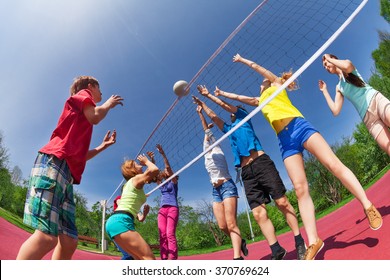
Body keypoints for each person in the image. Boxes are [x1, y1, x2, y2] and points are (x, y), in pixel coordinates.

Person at [218, 53, 383, 260]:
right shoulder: (260, 101)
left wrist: (243, 60)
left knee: (333, 164)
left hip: (299, 126)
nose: (261, 84)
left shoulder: (277, 84)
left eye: (263, 81)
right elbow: (237, 99)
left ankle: (367, 205)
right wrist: (219, 93)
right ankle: (314, 240)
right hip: (284, 141)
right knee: (299, 188)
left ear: (268, 82)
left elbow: (260, 69)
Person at [17, 76, 124, 260]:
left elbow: (81, 157)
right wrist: (109, 103)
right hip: (54, 163)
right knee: (46, 237)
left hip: (67, 174)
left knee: (69, 240)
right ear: (90, 86)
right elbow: (95, 116)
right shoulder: (83, 95)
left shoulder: (81, 119)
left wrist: (103, 146)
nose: (102, 93)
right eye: (100, 89)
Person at [193, 87, 306, 260]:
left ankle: (299, 241)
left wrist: (208, 95)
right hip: (246, 172)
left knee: (282, 202)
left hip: (261, 163)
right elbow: (215, 118)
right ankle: (276, 249)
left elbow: (224, 105)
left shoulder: (243, 116)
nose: (229, 113)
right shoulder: (229, 129)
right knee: (258, 213)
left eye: (231, 111)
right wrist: (202, 105)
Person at [195, 105, 248, 260]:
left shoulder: (217, 148)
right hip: (215, 191)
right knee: (222, 226)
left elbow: (206, 130)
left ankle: (237, 258)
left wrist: (200, 113)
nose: (207, 140)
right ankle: (241, 240)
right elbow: (205, 136)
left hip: (227, 186)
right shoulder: (205, 154)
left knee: (231, 224)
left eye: (208, 138)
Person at [319, 53, 390, 155]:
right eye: (324, 66)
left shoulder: (347, 64)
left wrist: (329, 59)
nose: (326, 67)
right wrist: (324, 91)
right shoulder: (339, 87)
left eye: (326, 63)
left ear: (333, 59)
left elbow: (347, 66)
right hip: (369, 119)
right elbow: (335, 111)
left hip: (376, 100)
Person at [105, 154, 159, 260]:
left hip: (115, 221)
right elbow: (154, 170)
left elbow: (151, 176)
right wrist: (146, 161)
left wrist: (151, 160)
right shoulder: (136, 179)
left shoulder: (131, 183)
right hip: (121, 221)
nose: (140, 164)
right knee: (149, 259)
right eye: (137, 164)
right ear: (133, 170)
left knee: (138, 259)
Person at [153, 144, 180, 260]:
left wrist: (163, 154)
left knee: (169, 234)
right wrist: (152, 160)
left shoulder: (174, 182)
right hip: (162, 210)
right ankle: (163, 259)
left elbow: (168, 168)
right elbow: (154, 173)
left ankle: (172, 259)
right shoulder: (162, 185)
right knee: (162, 235)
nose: (165, 170)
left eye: (167, 170)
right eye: (164, 170)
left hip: (172, 208)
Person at [112, 194, 151, 260]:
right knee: (129, 255)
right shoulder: (120, 198)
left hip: (127, 229)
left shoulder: (133, 207)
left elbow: (141, 219)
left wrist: (145, 213)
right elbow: (121, 204)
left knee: (134, 256)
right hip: (117, 227)